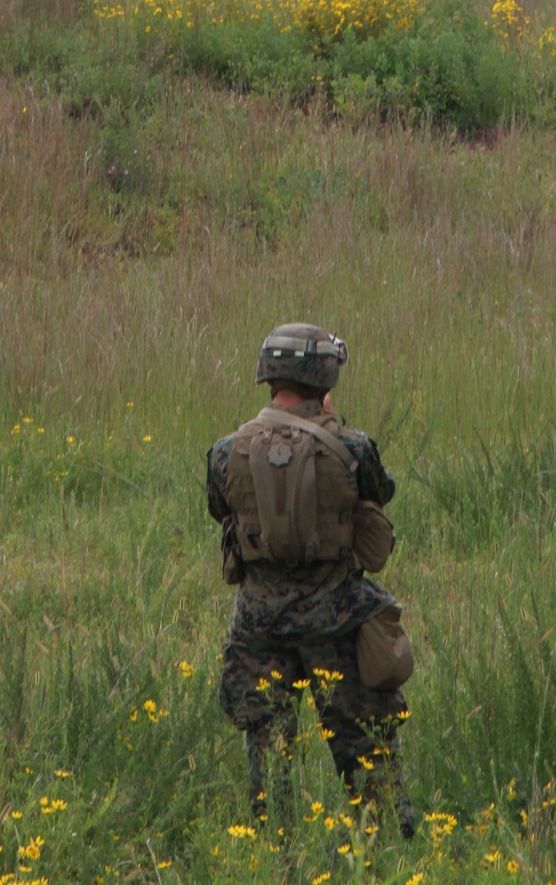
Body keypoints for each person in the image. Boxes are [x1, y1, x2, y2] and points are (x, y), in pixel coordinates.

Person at [207, 323, 415, 835]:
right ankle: (386, 849)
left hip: (259, 626)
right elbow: (380, 491)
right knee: (367, 754)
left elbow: (219, 508)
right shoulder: (352, 447)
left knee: (268, 752)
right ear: (324, 377)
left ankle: (276, 851)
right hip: (337, 622)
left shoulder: (226, 451)